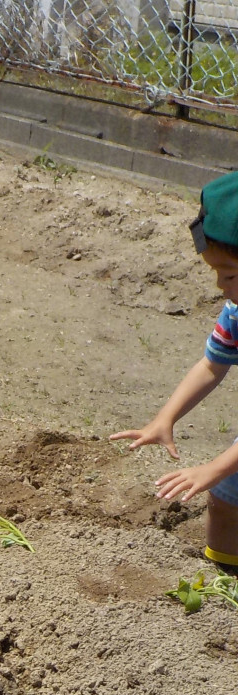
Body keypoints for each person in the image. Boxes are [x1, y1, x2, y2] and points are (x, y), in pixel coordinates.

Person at [112, 170, 238, 571]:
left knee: (220, 479)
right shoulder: (237, 310)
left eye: (231, 275)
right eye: (215, 272)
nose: (221, 285)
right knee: (225, 498)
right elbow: (211, 365)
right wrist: (165, 419)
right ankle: (225, 575)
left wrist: (214, 467)